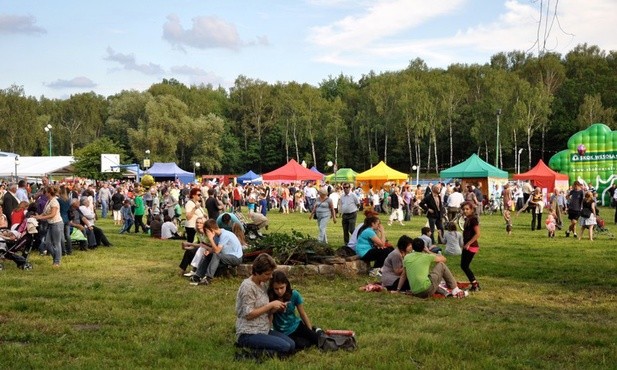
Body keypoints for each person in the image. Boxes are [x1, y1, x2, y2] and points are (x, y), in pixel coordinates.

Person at [235, 253, 295, 357]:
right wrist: (270, 305)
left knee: (292, 345)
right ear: (257, 272)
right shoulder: (248, 287)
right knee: (285, 347)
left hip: (264, 329)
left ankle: (268, 351)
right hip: (249, 332)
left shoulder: (262, 284)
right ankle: (249, 352)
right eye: (267, 274)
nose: (270, 277)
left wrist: (275, 308)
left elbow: (264, 310)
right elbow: (248, 314)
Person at [396, 238, 466, 298]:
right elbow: (444, 259)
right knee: (441, 265)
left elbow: (403, 275)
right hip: (426, 291)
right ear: (423, 247)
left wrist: (398, 290)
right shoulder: (427, 256)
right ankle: (455, 289)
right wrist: (428, 251)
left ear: (413, 247)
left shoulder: (407, 257)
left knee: (429, 278)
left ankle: (445, 292)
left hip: (415, 292)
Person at [267, 270, 319, 350]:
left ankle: (315, 330)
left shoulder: (294, 294)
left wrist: (310, 330)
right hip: (283, 331)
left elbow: (302, 313)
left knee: (316, 338)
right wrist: (273, 310)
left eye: (282, 288)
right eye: (276, 289)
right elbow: (268, 318)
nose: (279, 291)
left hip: (296, 325)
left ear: (286, 285)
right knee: (303, 344)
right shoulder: (270, 297)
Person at [189, 219, 244, 285]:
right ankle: (198, 276)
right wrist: (209, 251)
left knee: (216, 255)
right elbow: (215, 249)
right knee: (208, 255)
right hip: (225, 255)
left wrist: (210, 239)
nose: (206, 234)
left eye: (207, 231)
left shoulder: (225, 235)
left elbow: (217, 251)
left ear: (211, 230)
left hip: (236, 257)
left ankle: (208, 278)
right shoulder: (217, 235)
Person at [34, 186, 63, 267]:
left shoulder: (54, 202)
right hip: (51, 224)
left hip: (56, 223)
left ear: (49, 193)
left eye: (45, 192)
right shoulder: (48, 201)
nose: (44, 194)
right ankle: (56, 258)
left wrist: (41, 217)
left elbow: (53, 214)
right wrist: (37, 216)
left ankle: (57, 261)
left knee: (56, 243)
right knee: (47, 243)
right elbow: (45, 212)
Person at [461, 201, 481, 291]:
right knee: (464, 265)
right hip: (466, 245)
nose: (465, 211)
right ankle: (475, 284)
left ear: (472, 210)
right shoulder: (467, 219)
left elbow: (477, 234)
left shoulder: (473, 219)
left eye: (467, 209)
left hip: (471, 246)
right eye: (464, 209)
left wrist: (468, 243)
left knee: (465, 266)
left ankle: (475, 285)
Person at [338, 183, 360, 247]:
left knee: (352, 229)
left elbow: (358, 203)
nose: (345, 189)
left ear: (349, 188)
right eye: (344, 188)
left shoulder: (353, 195)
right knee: (345, 230)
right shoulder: (342, 196)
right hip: (345, 214)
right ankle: (346, 243)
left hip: (352, 214)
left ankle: (356, 241)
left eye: (347, 187)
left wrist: (355, 209)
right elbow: (341, 204)